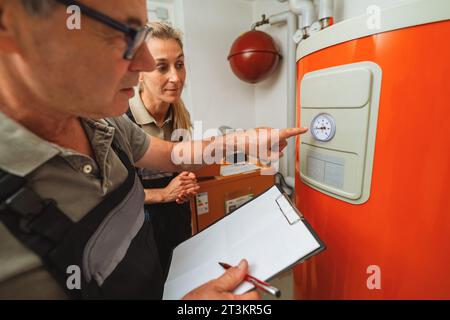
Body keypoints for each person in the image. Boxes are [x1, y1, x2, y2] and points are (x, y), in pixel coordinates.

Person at [0, 0, 307, 299]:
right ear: (11, 23)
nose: (145, 63)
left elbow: (174, 155)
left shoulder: (106, 125)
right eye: (125, 33)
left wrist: (243, 142)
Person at [127, 22, 198, 275]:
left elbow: (180, 166)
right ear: (140, 73)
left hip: (176, 225)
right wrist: (164, 194)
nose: (176, 77)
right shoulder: (122, 119)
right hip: (137, 233)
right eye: (161, 67)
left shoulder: (180, 113)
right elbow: (111, 195)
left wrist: (185, 181)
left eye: (179, 64)